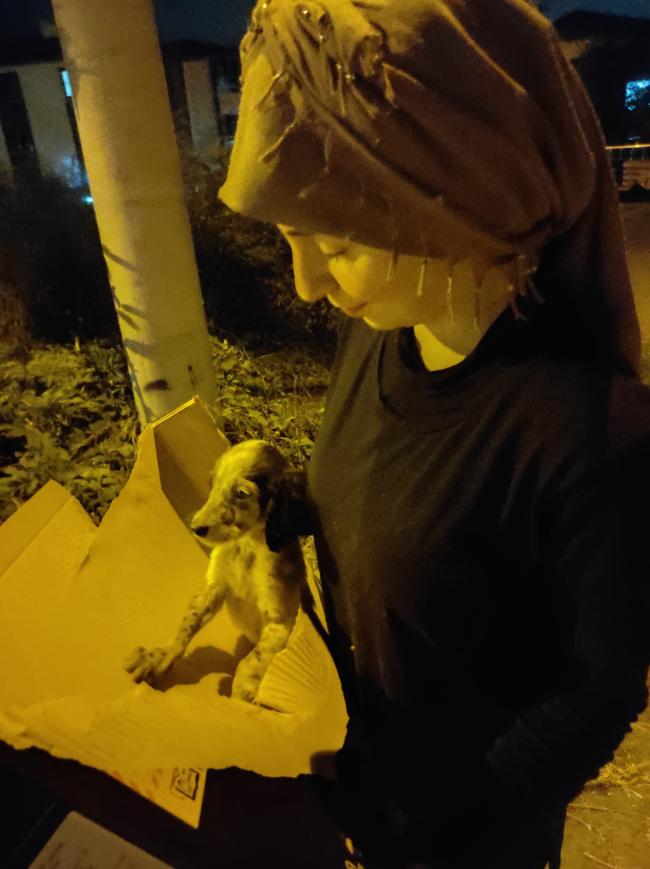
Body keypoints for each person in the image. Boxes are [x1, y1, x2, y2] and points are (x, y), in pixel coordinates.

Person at [217, 1, 650, 867]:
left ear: (459, 201)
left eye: (337, 244)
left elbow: (598, 690)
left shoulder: (592, 433)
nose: (307, 285)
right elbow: (389, 513)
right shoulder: (382, 327)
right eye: (293, 242)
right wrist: (272, 509)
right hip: (359, 786)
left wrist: (447, 827)